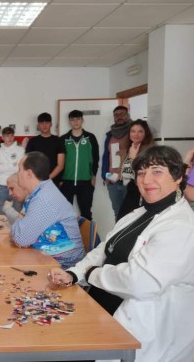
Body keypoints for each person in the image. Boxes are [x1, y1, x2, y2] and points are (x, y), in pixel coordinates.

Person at [48, 145, 194, 362]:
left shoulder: (181, 226)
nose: (146, 180)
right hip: (102, 309)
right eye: (141, 173)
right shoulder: (138, 214)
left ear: (178, 177)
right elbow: (104, 249)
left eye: (157, 171)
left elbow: (140, 282)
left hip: (143, 328)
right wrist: (74, 273)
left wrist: (91, 274)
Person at [11, 152, 85, 269]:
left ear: (29, 174)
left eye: (19, 169)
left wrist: (19, 221)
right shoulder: (39, 192)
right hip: (48, 259)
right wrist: (20, 222)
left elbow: (21, 239)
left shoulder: (43, 198)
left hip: (65, 267)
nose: (17, 173)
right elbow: (22, 232)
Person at [60, 110, 99, 220]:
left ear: (82, 120)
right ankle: (67, 237)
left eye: (78, 119)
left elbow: (95, 158)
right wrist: (60, 179)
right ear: (69, 121)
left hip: (86, 181)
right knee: (65, 213)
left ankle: (86, 237)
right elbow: (59, 160)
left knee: (86, 213)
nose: (75, 121)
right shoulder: (63, 139)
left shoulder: (90, 137)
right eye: (73, 119)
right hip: (66, 181)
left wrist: (94, 175)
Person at [117, 119, 154, 220]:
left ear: (146, 133)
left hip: (141, 190)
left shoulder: (149, 150)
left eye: (140, 131)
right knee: (122, 220)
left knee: (126, 220)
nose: (136, 134)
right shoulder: (130, 147)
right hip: (130, 187)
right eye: (133, 131)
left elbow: (146, 172)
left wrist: (134, 158)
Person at [102, 105, 132, 219]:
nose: (119, 117)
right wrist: (105, 175)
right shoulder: (110, 135)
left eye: (122, 114)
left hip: (128, 180)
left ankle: (130, 237)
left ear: (128, 115)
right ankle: (118, 237)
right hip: (113, 181)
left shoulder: (133, 132)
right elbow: (106, 156)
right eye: (116, 115)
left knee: (130, 213)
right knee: (117, 212)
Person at [0, 126, 24, 214]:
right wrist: (12, 165)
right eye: (6, 136)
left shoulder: (20, 150)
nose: (9, 138)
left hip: (17, 185)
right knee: (1, 214)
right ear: (2, 137)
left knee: (17, 212)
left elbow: (19, 167)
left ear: (14, 137)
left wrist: (2, 165)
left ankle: (17, 228)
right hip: (2, 186)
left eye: (11, 135)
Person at [25, 113, 65, 183]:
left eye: (47, 123)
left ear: (51, 124)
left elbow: (60, 165)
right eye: (41, 123)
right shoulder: (32, 141)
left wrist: (47, 178)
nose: (44, 125)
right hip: (36, 181)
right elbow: (28, 162)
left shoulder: (58, 141)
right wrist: (37, 179)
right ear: (38, 125)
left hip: (53, 180)